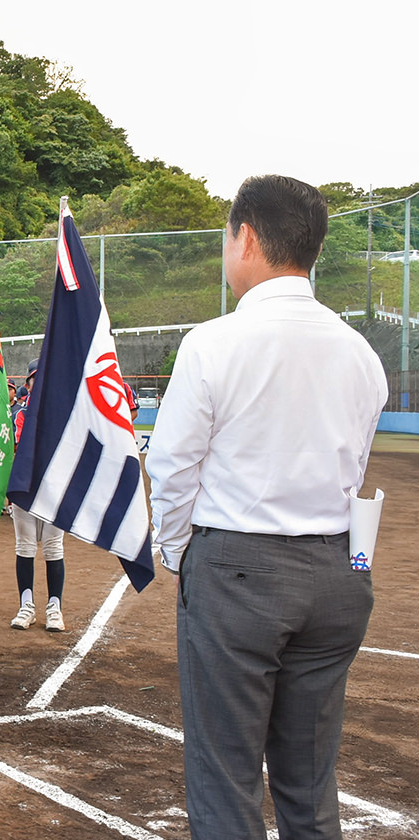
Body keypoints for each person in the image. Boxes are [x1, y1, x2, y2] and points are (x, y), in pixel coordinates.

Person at [147, 175, 388, 840]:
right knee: (309, 781)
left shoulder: (214, 343)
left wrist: (181, 553)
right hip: (338, 569)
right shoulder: (361, 353)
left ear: (246, 238)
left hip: (239, 568)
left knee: (225, 778)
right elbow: (355, 465)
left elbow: (172, 466)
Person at [9, 362, 67, 632]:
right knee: (26, 547)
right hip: (26, 487)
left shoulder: (66, 412)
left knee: (54, 548)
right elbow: (19, 447)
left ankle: (54, 607)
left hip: (56, 487)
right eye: (35, 379)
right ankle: (26, 605)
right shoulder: (20, 413)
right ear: (28, 384)